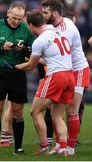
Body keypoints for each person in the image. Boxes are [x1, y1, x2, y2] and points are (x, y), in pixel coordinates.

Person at [16, 10, 75, 156]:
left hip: (56, 76)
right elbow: (49, 58)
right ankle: (63, 148)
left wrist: (16, 66)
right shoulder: (59, 33)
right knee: (57, 115)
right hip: (69, 75)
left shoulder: (40, 40)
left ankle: (43, 148)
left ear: (31, 25)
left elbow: (31, 65)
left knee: (35, 112)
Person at [0, 1, 35, 154]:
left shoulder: (26, 29)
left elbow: (32, 51)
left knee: (18, 111)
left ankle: (18, 147)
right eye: (14, 18)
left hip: (18, 73)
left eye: (19, 18)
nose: (16, 21)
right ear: (7, 13)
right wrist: (1, 48)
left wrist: (23, 49)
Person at [41, 0, 90, 155]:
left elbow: (62, 53)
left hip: (78, 70)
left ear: (55, 13)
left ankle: (70, 147)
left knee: (71, 111)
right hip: (65, 71)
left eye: (45, 12)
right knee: (57, 111)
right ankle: (59, 145)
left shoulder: (66, 27)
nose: (43, 15)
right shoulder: (54, 26)